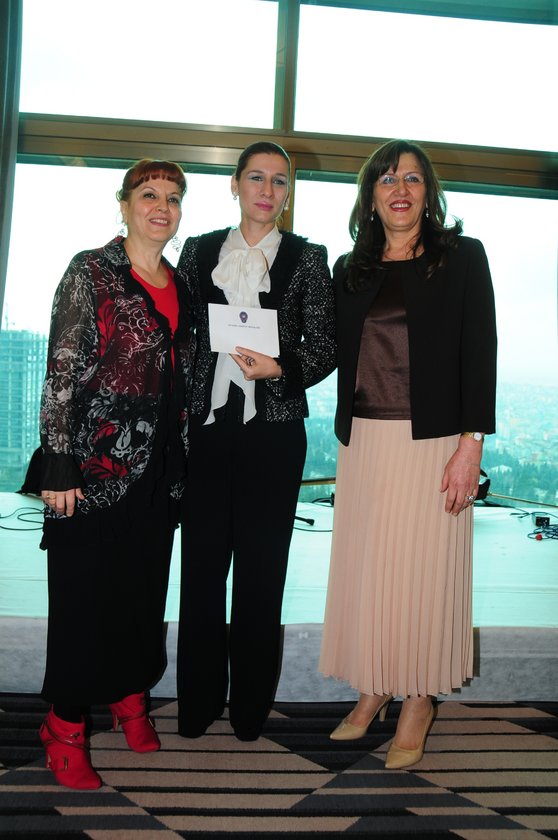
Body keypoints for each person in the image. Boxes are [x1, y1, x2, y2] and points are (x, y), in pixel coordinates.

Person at [319, 139, 497, 769]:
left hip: (434, 443)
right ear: (371, 195)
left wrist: (470, 446)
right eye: (388, 179)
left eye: (413, 179)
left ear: (429, 193)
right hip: (365, 442)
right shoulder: (350, 268)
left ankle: (419, 698)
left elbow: (480, 350)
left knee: (425, 572)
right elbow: (325, 350)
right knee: (372, 571)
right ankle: (375, 686)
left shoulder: (462, 258)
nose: (400, 190)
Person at [38, 159, 194, 789]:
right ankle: (64, 726)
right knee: (83, 602)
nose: (162, 207)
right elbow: (62, 368)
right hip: (92, 468)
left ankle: (129, 695)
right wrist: (58, 462)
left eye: (173, 198)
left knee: (141, 595)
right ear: (124, 204)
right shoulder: (92, 271)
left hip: (160, 469)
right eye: (149, 194)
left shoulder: (181, 284)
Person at [176, 141, 336, 741]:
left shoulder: (308, 258)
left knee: (261, 577)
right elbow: (181, 332)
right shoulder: (198, 251)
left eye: (279, 181)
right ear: (235, 184)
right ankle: (196, 703)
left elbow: (326, 345)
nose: (267, 191)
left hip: (274, 434)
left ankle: (248, 710)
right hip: (206, 432)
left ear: (288, 192)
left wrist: (281, 368)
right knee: (200, 573)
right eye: (256, 178)